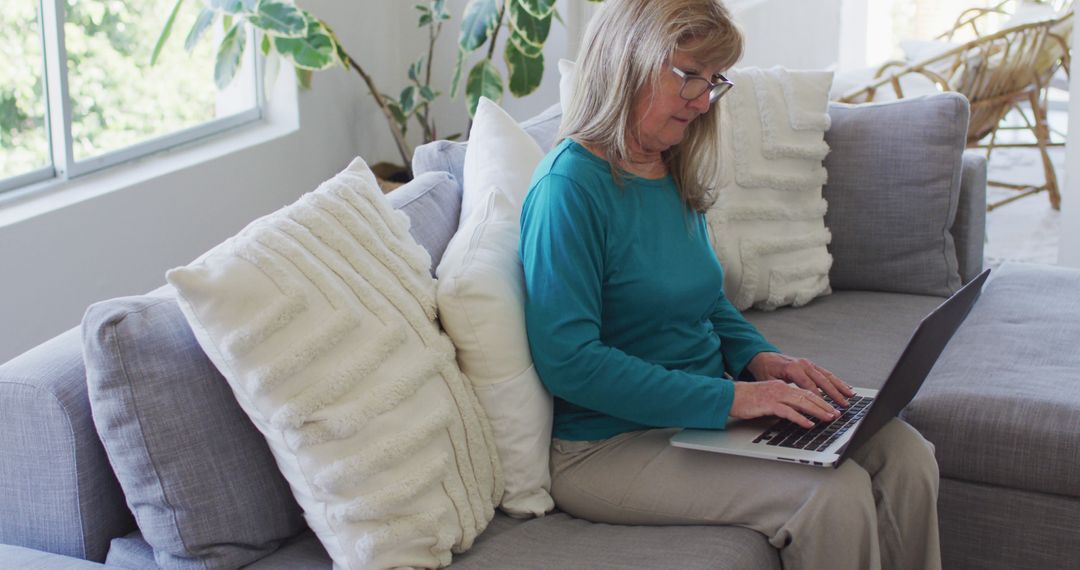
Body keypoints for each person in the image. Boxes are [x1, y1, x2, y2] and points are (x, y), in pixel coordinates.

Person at [518, 0, 942, 568]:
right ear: (626, 63)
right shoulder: (569, 188)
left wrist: (759, 359)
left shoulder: (667, 163)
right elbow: (569, 361)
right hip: (606, 446)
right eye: (687, 75)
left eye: (712, 80)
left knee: (904, 453)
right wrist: (733, 399)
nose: (700, 99)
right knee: (831, 499)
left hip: (697, 414)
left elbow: (703, 296)